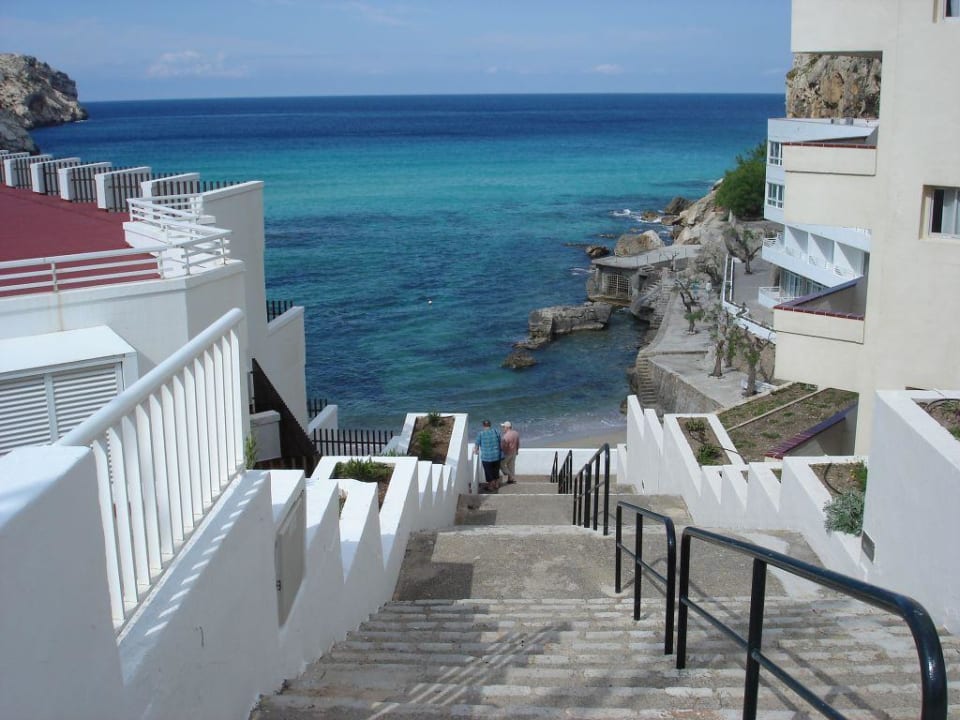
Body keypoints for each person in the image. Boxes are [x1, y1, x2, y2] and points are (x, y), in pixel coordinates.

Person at [474, 419, 502, 492]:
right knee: (496, 470)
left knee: (488, 472)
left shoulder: (481, 434)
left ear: (483, 425)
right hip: (496, 455)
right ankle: (496, 484)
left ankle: (491, 486)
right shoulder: (496, 432)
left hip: (486, 457)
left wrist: (475, 451)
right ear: (490, 425)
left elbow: (477, 444)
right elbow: (500, 442)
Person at [499, 421, 520, 485]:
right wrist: (517, 451)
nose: (503, 428)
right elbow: (518, 443)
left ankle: (510, 475)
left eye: (504, 427)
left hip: (507, 453)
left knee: (501, 464)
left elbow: (503, 447)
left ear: (507, 427)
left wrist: (502, 453)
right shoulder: (516, 433)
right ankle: (511, 479)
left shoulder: (505, 436)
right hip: (514, 452)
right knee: (511, 466)